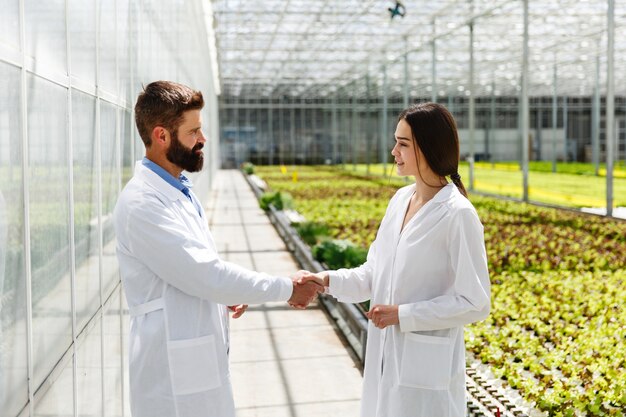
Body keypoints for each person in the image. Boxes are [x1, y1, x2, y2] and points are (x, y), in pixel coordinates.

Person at [113, 80, 322, 417]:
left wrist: (220, 294)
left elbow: (193, 270)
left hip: (192, 357)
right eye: (193, 131)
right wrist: (287, 288)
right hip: (170, 375)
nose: (202, 139)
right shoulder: (143, 204)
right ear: (161, 136)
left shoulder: (179, 188)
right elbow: (204, 274)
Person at [302, 103, 491, 417]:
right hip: (384, 357)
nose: (393, 151)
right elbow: (375, 273)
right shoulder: (400, 200)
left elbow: (475, 302)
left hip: (427, 371)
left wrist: (404, 315)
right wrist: (325, 281)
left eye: (403, 144)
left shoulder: (458, 215)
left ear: (428, 148)